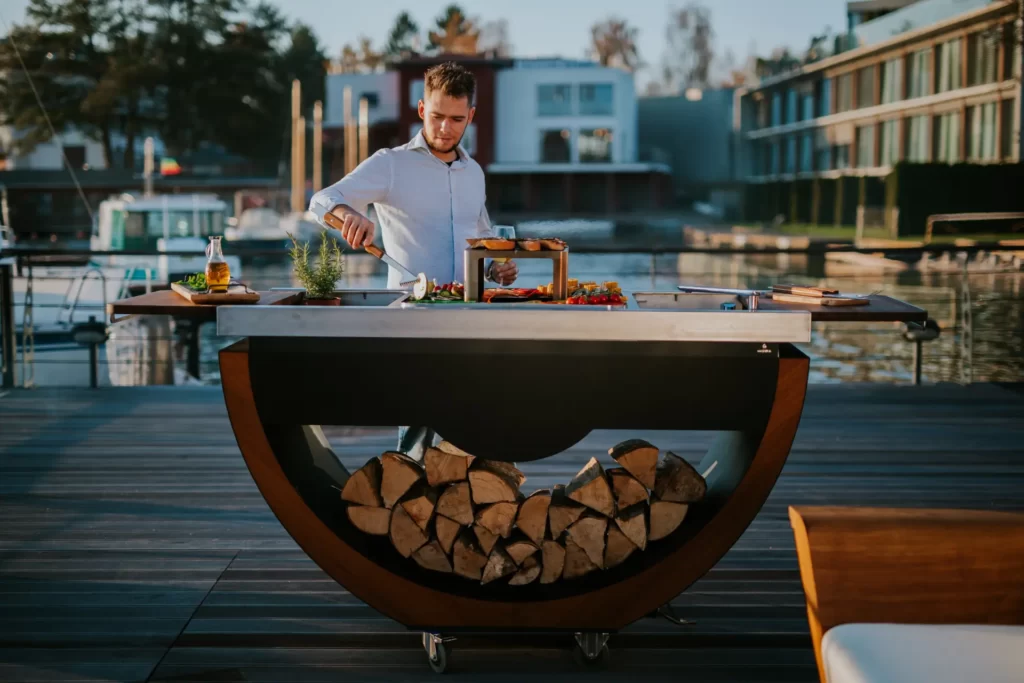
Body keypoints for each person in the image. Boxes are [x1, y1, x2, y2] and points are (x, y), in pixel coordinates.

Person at [308, 61, 517, 461]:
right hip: (414, 319)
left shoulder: (474, 173)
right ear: (421, 109)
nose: (445, 128)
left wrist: (497, 267)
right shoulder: (391, 164)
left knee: (472, 434)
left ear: (470, 116)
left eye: (457, 119)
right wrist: (348, 214)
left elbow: (484, 241)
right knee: (416, 439)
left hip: (472, 318)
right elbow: (321, 201)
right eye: (437, 116)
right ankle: (409, 512)